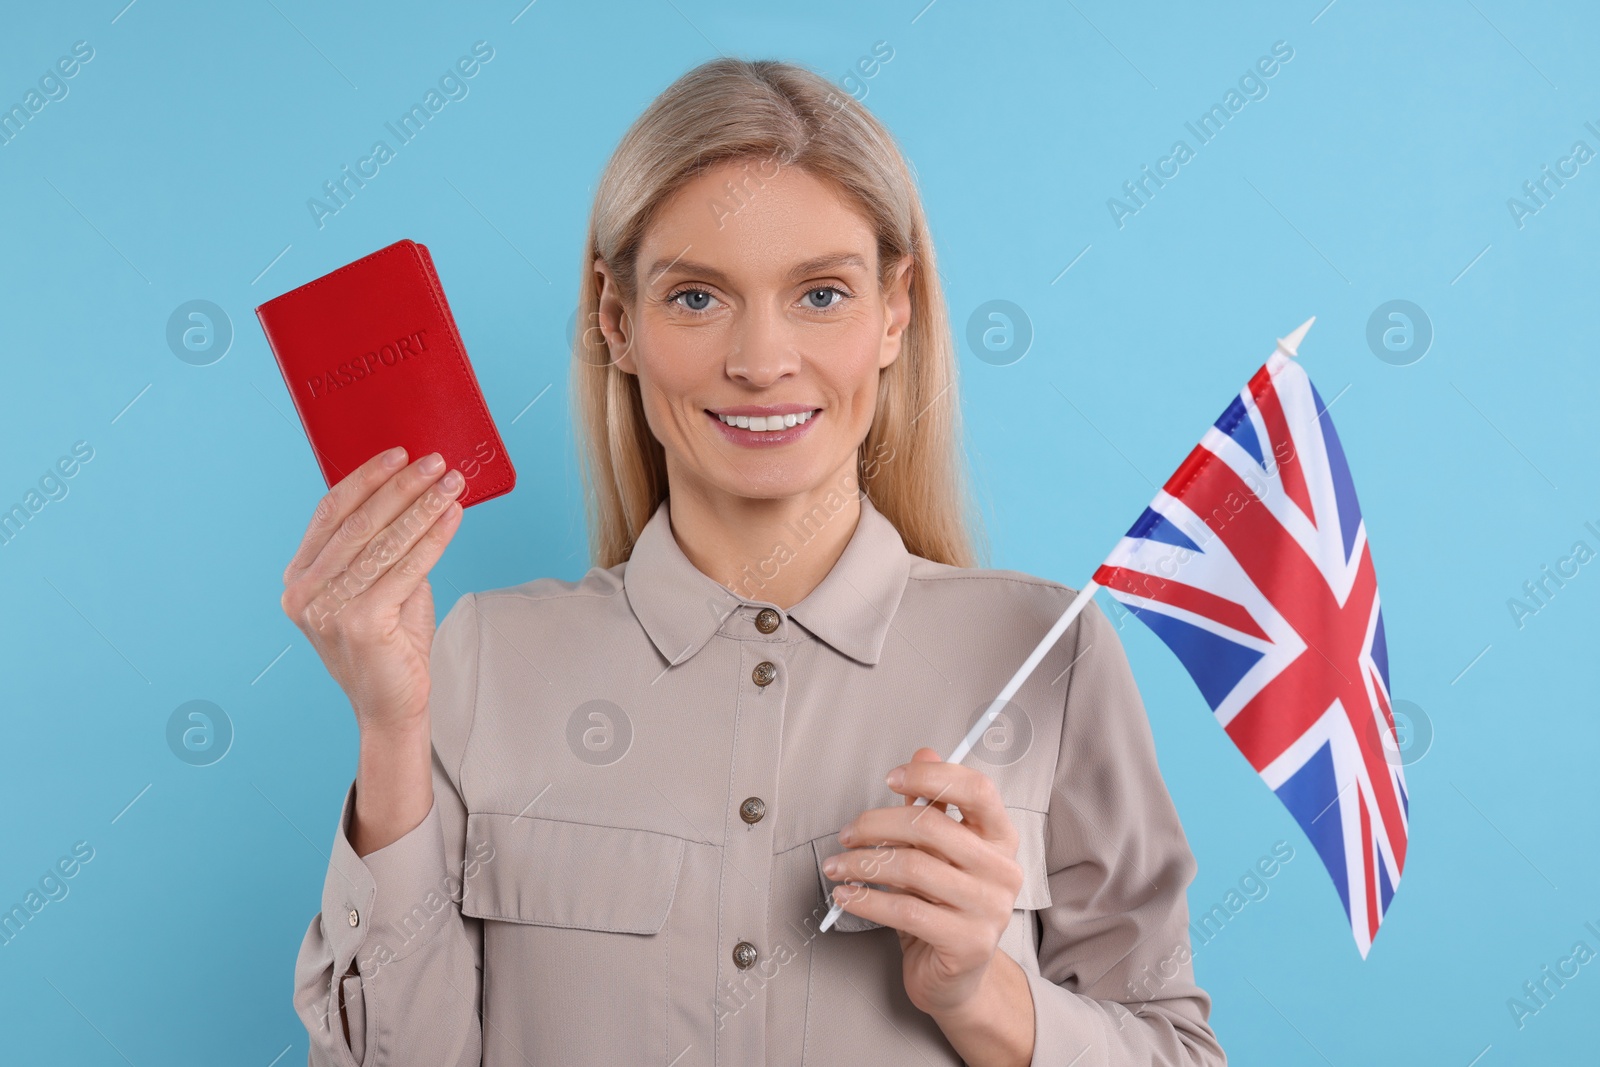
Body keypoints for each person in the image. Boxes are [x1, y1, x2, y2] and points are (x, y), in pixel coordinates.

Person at [283, 57, 1226, 1067]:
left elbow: (1174, 1047)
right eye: (696, 298)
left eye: (821, 292)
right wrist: (390, 729)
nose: (762, 358)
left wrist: (982, 993)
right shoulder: (477, 656)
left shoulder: (1047, 653)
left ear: (895, 311)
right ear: (616, 320)